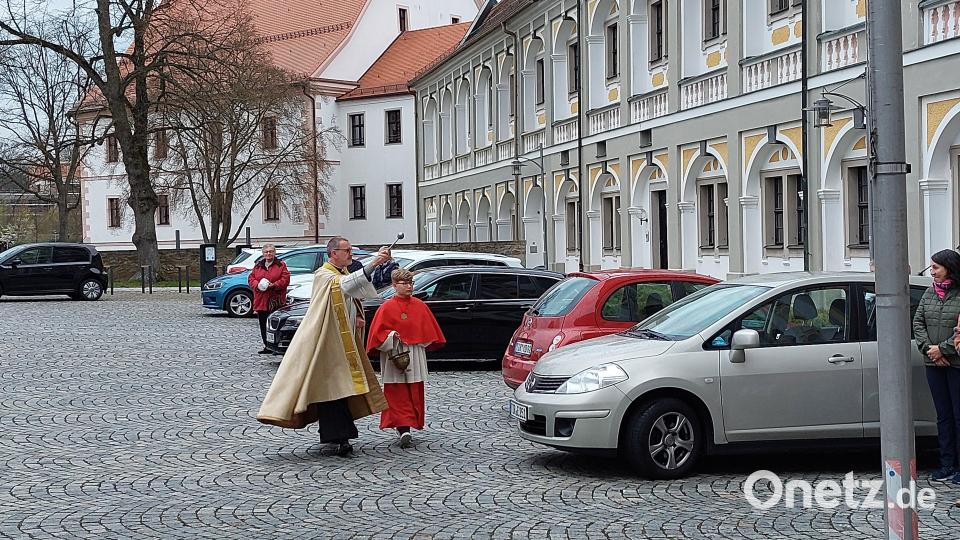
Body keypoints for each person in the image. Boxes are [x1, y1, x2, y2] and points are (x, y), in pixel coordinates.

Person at [257, 236, 392, 457]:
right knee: (333, 389)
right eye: (346, 250)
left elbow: (359, 291)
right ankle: (340, 437)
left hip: (342, 341)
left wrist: (382, 265)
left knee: (336, 389)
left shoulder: (343, 273)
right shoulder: (325, 274)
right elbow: (345, 286)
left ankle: (336, 435)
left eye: (350, 250)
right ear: (333, 253)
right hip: (325, 341)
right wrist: (373, 263)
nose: (350, 254)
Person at [366, 268, 445, 448]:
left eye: (411, 283)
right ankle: (403, 427)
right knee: (396, 392)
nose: (409, 287)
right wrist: (392, 336)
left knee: (414, 390)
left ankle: (409, 423)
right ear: (394, 285)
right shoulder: (386, 307)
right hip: (394, 354)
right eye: (405, 283)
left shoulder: (420, 305)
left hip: (414, 353)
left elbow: (428, 332)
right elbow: (378, 335)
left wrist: (419, 339)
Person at [914, 249, 960, 483]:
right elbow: (918, 321)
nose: (931, 272)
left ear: (949, 268)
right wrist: (930, 351)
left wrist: (943, 349)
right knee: (943, 416)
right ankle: (946, 464)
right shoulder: (930, 293)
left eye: (935, 268)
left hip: (956, 363)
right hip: (933, 362)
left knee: (958, 415)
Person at [247, 244, 290, 354]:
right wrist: (257, 284)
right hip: (261, 299)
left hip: (275, 301)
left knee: (276, 324)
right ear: (263, 253)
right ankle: (267, 345)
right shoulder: (258, 265)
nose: (268, 253)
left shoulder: (281, 265)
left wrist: (274, 285)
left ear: (274, 253)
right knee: (263, 323)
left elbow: (285, 280)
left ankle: (275, 346)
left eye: (271, 251)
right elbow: (251, 278)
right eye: (266, 252)